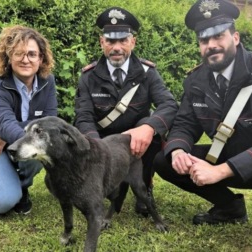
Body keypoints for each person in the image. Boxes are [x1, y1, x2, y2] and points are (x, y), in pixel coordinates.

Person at [153, 0, 252, 251]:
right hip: (233, 152)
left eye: (218, 36)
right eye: (204, 40)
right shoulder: (196, 80)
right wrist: (178, 150)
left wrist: (221, 171)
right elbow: (185, 122)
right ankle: (230, 208)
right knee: (164, 160)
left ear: (236, 37)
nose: (211, 46)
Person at [74, 7, 178, 216]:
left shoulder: (148, 73)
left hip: (138, 141)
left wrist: (149, 127)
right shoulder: (88, 76)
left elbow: (169, 104)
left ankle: (144, 187)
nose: (117, 47)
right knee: (106, 194)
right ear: (102, 42)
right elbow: (83, 117)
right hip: (105, 142)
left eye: (123, 40)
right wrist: (98, 146)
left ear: (133, 42)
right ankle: (109, 184)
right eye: (111, 41)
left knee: (154, 137)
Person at [0, 25, 58, 215]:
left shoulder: (47, 82)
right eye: (19, 54)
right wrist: (6, 131)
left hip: (9, 140)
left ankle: (21, 188)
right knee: (2, 203)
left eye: (32, 54)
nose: (25, 59)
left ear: (41, 59)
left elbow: (51, 121)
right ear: (9, 57)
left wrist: (5, 134)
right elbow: (5, 125)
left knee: (36, 147)